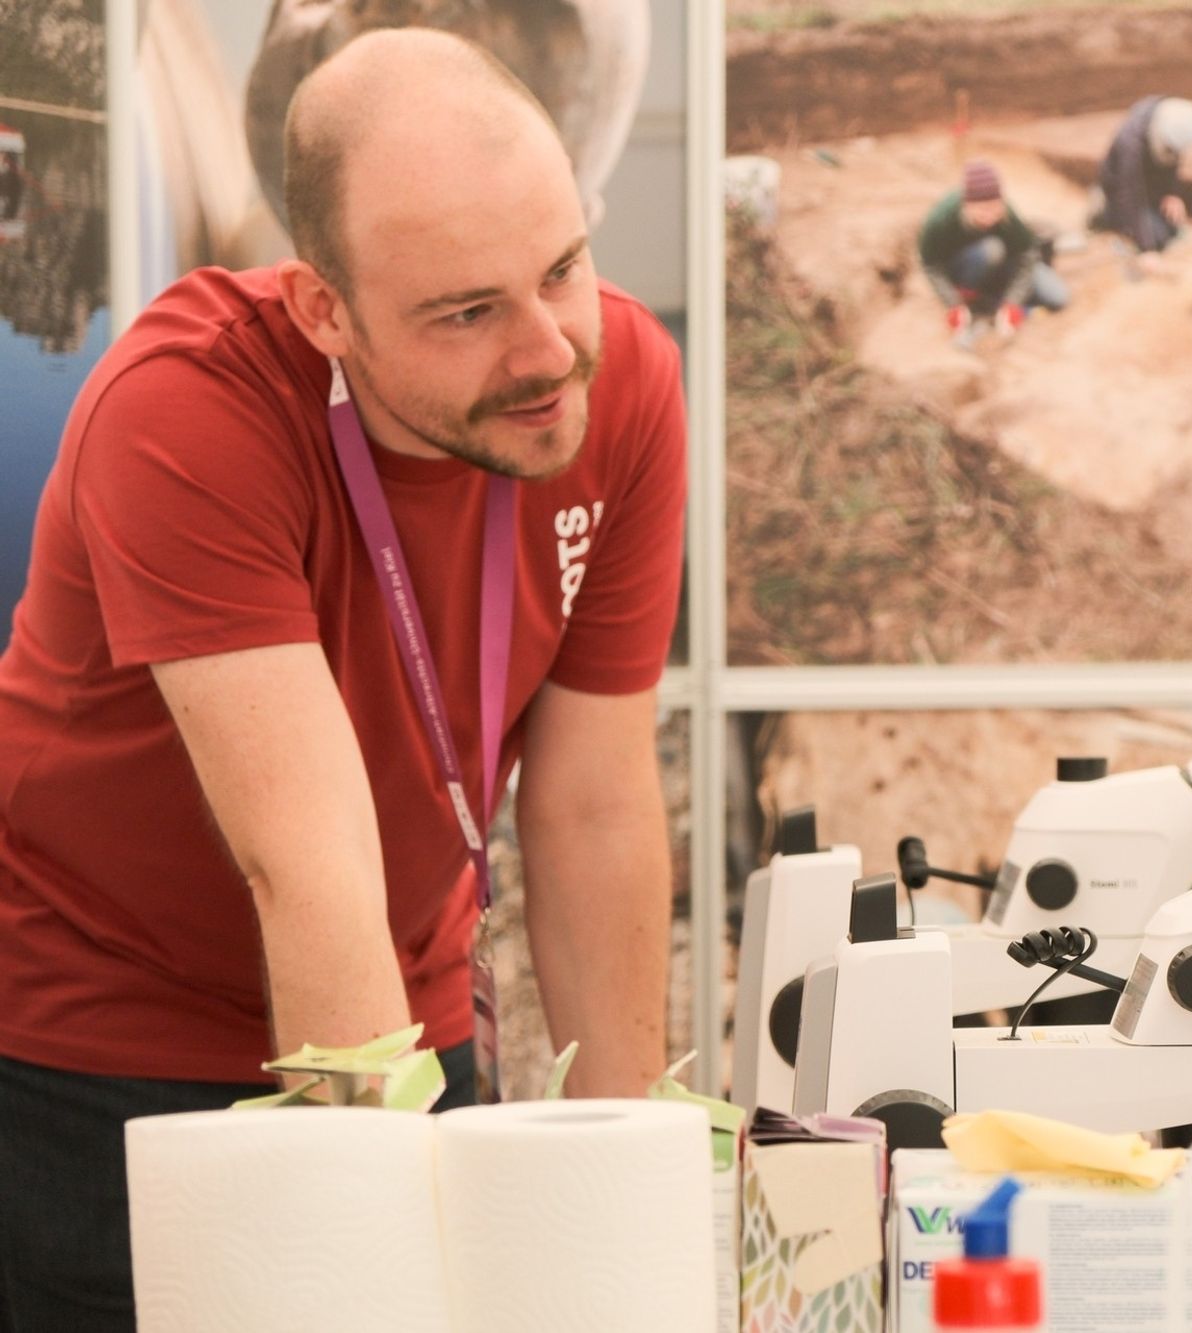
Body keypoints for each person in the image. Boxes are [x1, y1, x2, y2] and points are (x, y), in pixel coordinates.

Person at [0, 28, 685, 1328]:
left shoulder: (623, 384)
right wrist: (377, 1249)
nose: (548, 350)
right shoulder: (187, 409)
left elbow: (592, 805)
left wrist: (626, 1177)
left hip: (399, 1002)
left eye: (564, 269)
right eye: (468, 311)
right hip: (90, 1044)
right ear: (325, 309)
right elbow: (303, 860)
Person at [917, 158, 1068, 346]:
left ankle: (994, 300)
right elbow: (930, 265)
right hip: (963, 269)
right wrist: (952, 303)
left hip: (1002, 267)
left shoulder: (1007, 216)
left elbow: (1027, 256)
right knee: (991, 249)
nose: (989, 217)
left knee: (1058, 297)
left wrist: (1012, 303)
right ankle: (971, 299)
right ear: (967, 204)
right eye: (982, 211)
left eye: (995, 208)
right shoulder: (941, 219)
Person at [1090, 95, 1192, 262]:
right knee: (1157, 236)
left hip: (1150, 186)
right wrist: (1147, 249)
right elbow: (1129, 192)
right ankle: (1104, 213)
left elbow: (1172, 162)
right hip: (1120, 189)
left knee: (1171, 227)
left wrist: (1172, 193)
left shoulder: (1168, 122)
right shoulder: (1130, 143)